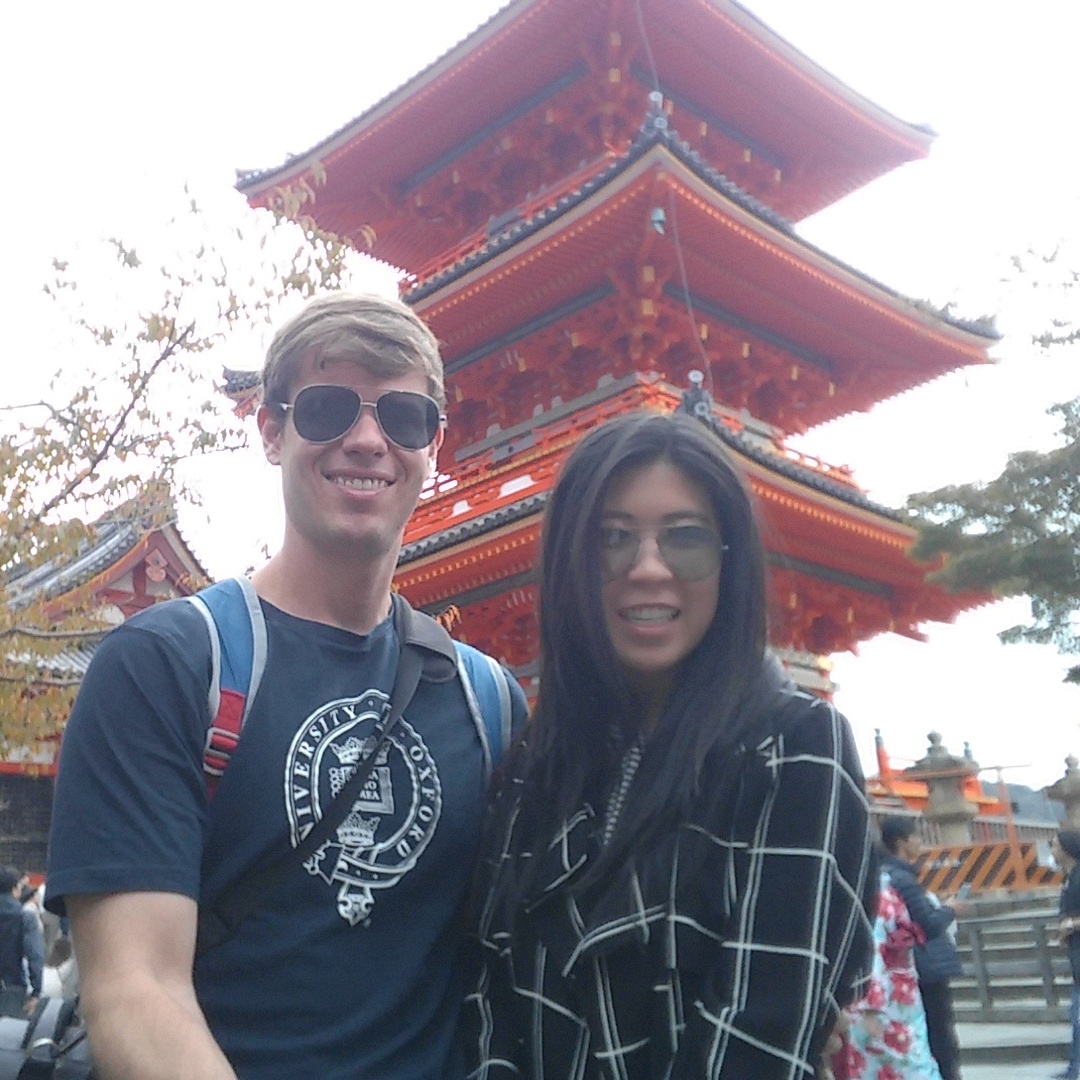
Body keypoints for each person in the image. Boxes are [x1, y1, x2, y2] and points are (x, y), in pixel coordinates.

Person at [46, 293, 527, 1080]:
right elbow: (137, 986)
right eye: (330, 407)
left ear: (434, 445)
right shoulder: (172, 665)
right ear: (271, 430)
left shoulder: (489, 704)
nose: (368, 439)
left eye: (403, 417)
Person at [463, 410, 877, 1079]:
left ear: (728, 561)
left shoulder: (795, 750)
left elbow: (760, 1033)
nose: (648, 569)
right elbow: (483, 998)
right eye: (612, 539)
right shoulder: (530, 769)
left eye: (685, 538)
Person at [831, 872, 942, 1080]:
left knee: (901, 1062)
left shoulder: (873, 892)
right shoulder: (878, 893)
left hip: (894, 995)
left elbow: (874, 950)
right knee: (907, 1063)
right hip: (888, 999)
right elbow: (873, 951)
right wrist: (871, 1006)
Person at [879, 817, 965, 1080]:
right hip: (926, 965)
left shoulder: (887, 875)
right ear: (902, 843)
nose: (920, 842)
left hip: (912, 966)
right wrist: (950, 909)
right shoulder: (903, 878)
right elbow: (925, 924)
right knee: (940, 1036)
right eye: (915, 837)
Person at [1051, 829, 1080, 1080]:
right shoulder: (1069, 877)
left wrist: (1071, 924)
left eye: (1055, 846)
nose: (1053, 851)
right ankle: (1074, 1068)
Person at [0, 865, 44, 1018]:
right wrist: (36, 992)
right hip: (11, 986)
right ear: (14, 889)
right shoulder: (24, 917)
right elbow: (35, 955)